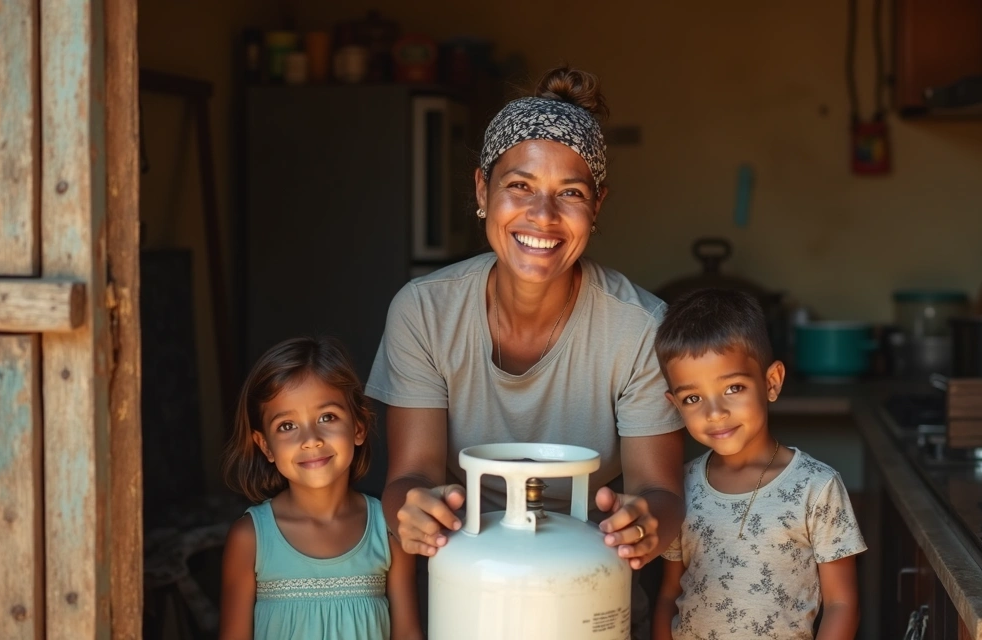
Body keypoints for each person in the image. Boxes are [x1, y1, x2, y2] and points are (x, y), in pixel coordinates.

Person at [368, 66, 686, 634]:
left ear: (598, 207)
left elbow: (658, 492)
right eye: (520, 186)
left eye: (571, 194)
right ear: (480, 191)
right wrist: (413, 509)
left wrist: (644, 522)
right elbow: (408, 477)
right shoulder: (425, 312)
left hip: (591, 602)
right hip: (467, 595)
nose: (543, 216)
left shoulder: (640, 328)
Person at [651, 290, 866, 640]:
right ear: (674, 404)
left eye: (733, 388)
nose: (715, 412)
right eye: (693, 398)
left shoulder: (817, 488)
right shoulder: (679, 486)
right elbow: (668, 595)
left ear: (771, 382)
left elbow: (842, 604)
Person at [219, 336, 421, 640]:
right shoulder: (250, 539)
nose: (310, 438)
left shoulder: (389, 529)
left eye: (327, 417)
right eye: (287, 426)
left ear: (358, 427)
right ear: (265, 446)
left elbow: (408, 634)